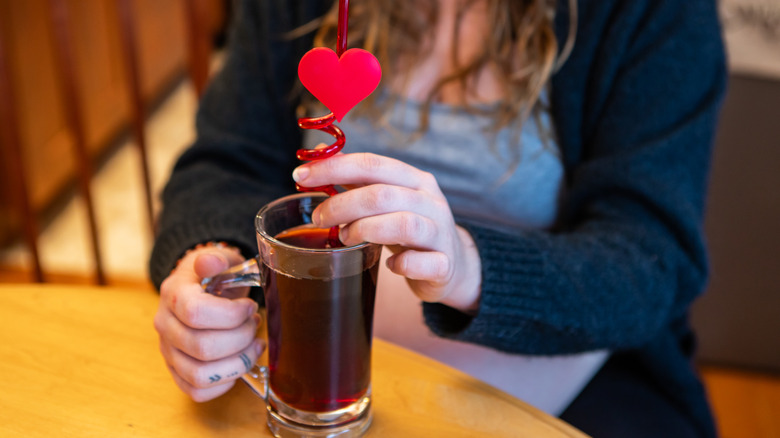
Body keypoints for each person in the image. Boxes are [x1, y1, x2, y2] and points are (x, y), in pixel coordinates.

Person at [150, 0, 727, 436]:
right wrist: (210, 265)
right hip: (317, 382)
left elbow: (652, 256)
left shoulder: (653, 14)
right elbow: (222, 163)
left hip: (573, 371)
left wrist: (469, 265)